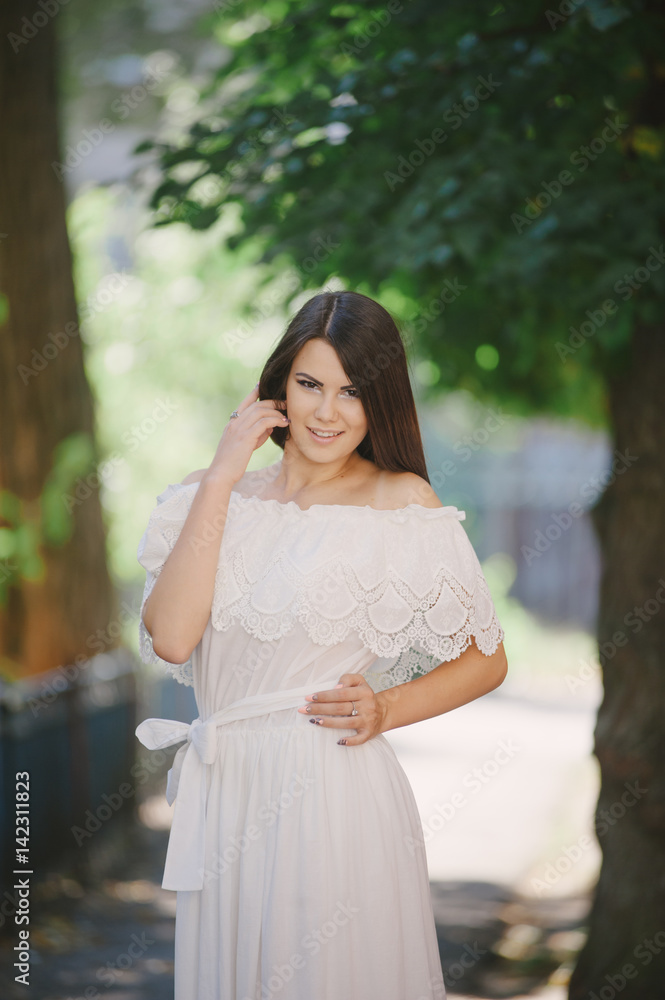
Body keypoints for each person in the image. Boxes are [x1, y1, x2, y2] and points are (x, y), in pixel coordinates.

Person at [135, 289, 507, 1000]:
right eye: (308, 384)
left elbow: (485, 658)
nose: (326, 412)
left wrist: (386, 708)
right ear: (277, 388)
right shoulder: (207, 497)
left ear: (379, 402)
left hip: (329, 790)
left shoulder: (401, 505)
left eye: (350, 391)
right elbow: (175, 638)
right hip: (225, 790)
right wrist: (222, 473)